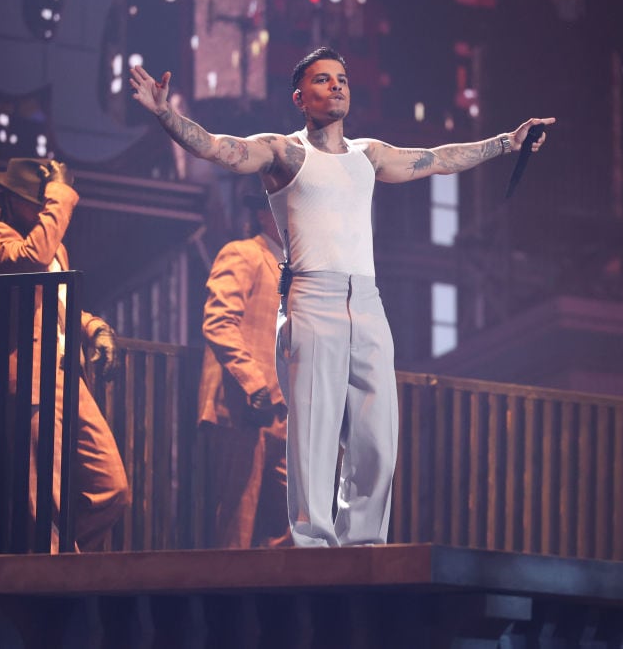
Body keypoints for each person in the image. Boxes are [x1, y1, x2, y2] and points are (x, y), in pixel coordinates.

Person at [130, 47, 554, 547]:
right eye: (323, 80)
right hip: (313, 297)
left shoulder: (367, 155)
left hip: (368, 302)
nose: (336, 86)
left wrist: (508, 142)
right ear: (300, 97)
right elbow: (219, 148)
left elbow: (438, 159)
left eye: (342, 80)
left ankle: (363, 545)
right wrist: (165, 114)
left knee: (378, 437)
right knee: (314, 431)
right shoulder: (283, 152)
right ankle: (313, 545)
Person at [0, 157, 130, 552]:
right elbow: (31, 261)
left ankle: (69, 568)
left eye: (47, 203)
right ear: (9, 199)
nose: (45, 210)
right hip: (27, 378)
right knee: (45, 498)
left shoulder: (48, 243)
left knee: (112, 487)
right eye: (37, 202)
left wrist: (94, 328)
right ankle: (54, 578)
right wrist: (59, 196)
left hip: (64, 376)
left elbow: (57, 304)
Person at [197, 190, 292, 548]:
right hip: (243, 412)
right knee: (236, 527)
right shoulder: (243, 254)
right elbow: (219, 322)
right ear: (266, 215)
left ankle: (273, 601)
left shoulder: (296, 273)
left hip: (285, 418)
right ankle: (229, 602)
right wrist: (255, 385)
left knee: (294, 530)